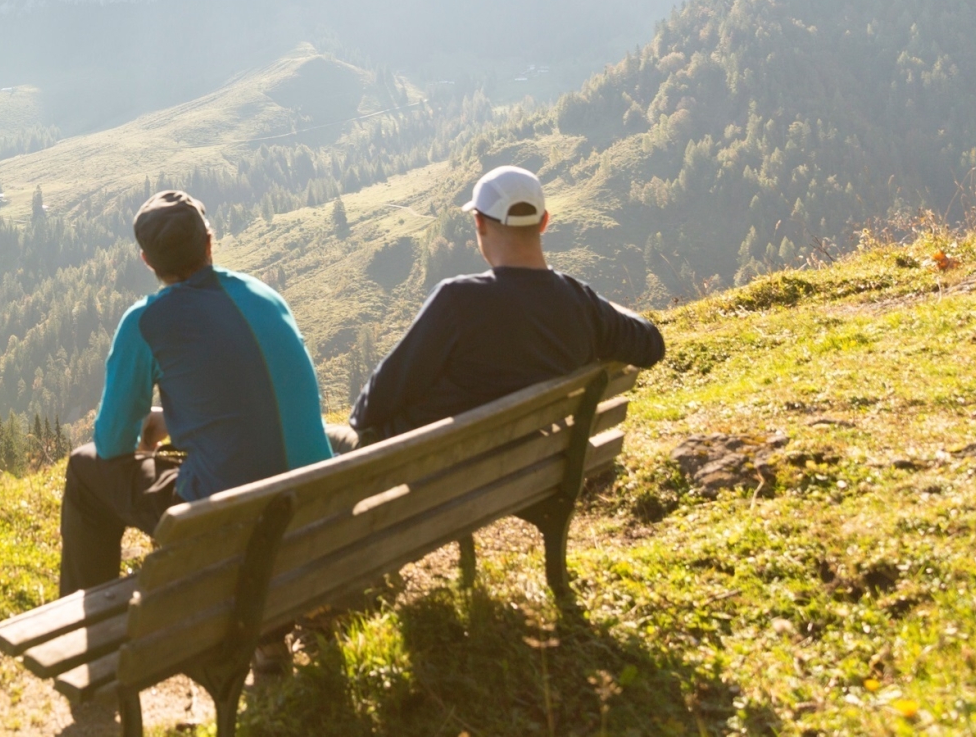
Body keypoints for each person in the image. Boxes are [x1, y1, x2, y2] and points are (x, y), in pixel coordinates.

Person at [61, 189, 332, 597]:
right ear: (209, 242)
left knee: (85, 469)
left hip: (232, 526)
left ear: (147, 260)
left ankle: (88, 625)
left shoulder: (145, 321)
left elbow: (112, 443)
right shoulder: (263, 294)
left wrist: (148, 424)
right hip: (317, 510)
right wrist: (172, 419)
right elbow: (257, 395)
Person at [347, 165, 665, 445]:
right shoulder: (580, 303)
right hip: (522, 470)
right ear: (544, 222)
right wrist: (589, 300)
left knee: (325, 437)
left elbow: (366, 412)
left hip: (424, 473)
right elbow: (651, 344)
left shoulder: (458, 301)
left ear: (479, 223)